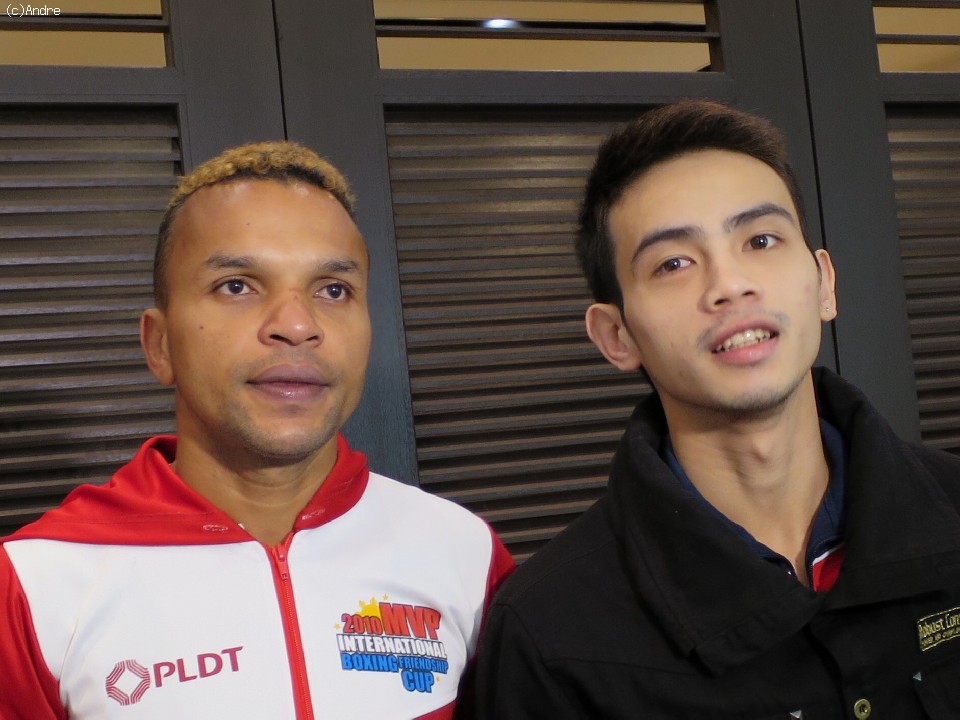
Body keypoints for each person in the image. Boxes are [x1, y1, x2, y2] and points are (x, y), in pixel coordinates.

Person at [467, 101, 960, 718]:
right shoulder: (550, 631)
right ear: (616, 336)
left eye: (761, 240)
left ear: (824, 283)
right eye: (673, 263)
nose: (729, 285)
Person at [0, 141, 514, 719]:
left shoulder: (464, 552)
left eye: (333, 289)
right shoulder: (35, 585)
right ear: (160, 345)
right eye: (237, 285)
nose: (297, 325)